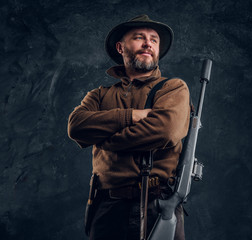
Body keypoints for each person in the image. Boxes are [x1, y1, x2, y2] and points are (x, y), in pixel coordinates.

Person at [67, 15, 190, 240]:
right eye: (139, 37)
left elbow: (165, 131)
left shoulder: (173, 88)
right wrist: (130, 116)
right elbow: (76, 126)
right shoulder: (99, 95)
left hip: (157, 205)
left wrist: (105, 140)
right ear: (121, 47)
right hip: (106, 208)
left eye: (154, 39)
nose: (148, 43)